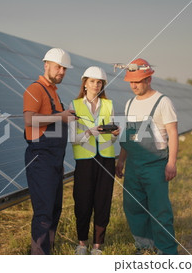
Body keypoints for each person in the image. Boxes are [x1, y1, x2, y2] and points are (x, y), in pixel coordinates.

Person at [115, 58, 179, 255]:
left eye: (138, 81)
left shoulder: (162, 102)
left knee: (160, 210)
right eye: (131, 82)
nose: (134, 86)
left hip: (155, 165)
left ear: (149, 79)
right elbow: (129, 134)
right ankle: (144, 245)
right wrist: (121, 160)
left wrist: (171, 163)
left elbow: (173, 133)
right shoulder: (129, 103)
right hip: (133, 165)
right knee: (133, 206)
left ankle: (166, 251)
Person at [23, 48, 75, 255]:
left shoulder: (53, 92)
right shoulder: (35, 89)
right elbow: (29, 120)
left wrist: (67, 118)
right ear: (46, 65)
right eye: (58, 67)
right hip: (40, 158)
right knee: (44, 213)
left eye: (64, 68)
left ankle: (48, 253)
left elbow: (55, 121)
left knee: (54, 210)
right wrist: (60, 117)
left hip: (55, 160)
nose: (61, 71)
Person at [69, 66, 120, 255]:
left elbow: (111, 136)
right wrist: (90, 132)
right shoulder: (74, 105)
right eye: (92, 81)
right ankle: (82, 243)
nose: (96, 85)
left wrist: (115, 134)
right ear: (85, 83)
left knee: (103, 201)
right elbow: (73, 137)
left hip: (106, 159)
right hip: (85, 160)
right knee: (82, 201)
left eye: (99, 82)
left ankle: (97, 246)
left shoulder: (108, 105)